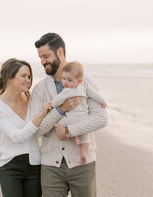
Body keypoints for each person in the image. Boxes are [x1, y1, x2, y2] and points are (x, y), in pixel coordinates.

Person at [29, 33, 108, 197]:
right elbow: (37, 130)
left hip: (82, 162)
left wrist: (68, 130)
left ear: (60, 52)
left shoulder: (86, 82)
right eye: (40, 58)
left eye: (45, 56)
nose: (42, 61)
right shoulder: (39, 89)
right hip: (51, 166)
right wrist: (60, 110)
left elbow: (101, 118)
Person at [0, 58, 53, 197]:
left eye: (29, 76)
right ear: (10, 77)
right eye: (23, 76)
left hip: (35, 165)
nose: (28, 80)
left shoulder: (33, 101)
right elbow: (17, 137)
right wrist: (40, 115)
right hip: (10, 168)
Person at [52, 61, 107, 165]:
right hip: (84, 117)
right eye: (63, 79)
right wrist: (102, 101)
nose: (65, 82)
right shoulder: (84, 86)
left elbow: (56, 102)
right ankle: (83, 153)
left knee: (58, 124)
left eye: (69, 80)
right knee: (86, 137)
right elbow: (94, 94)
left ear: (79, 80)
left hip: (71, 118)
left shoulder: (66, 91)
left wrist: (54, 104)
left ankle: (74, 137)